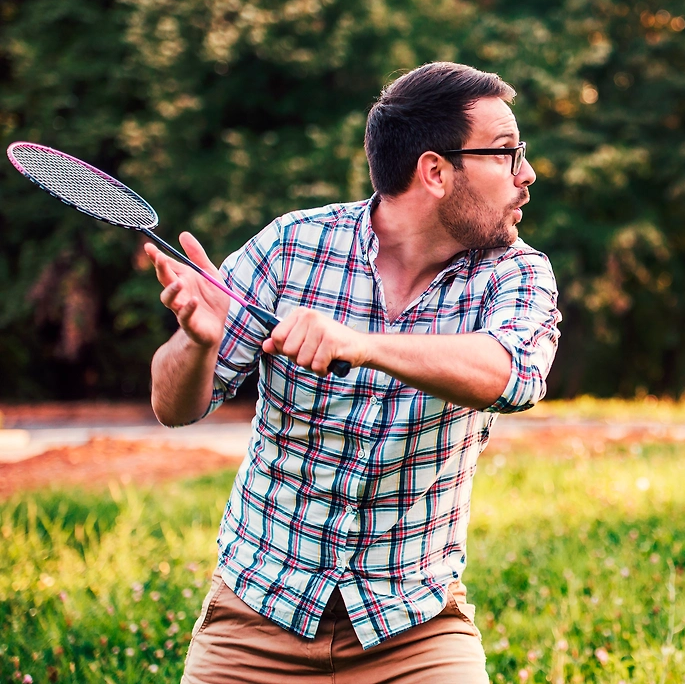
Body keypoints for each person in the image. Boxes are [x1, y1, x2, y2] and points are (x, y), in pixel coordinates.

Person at [146, 62, 560, 682]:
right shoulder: (292, 246)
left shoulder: (517, 274)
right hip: (256, 615)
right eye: (506, 153)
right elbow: (172, 406)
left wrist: (363, 343)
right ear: (436, 171)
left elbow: (512, 374)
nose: (526, 175)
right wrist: (195, 343)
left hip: (415, 627)